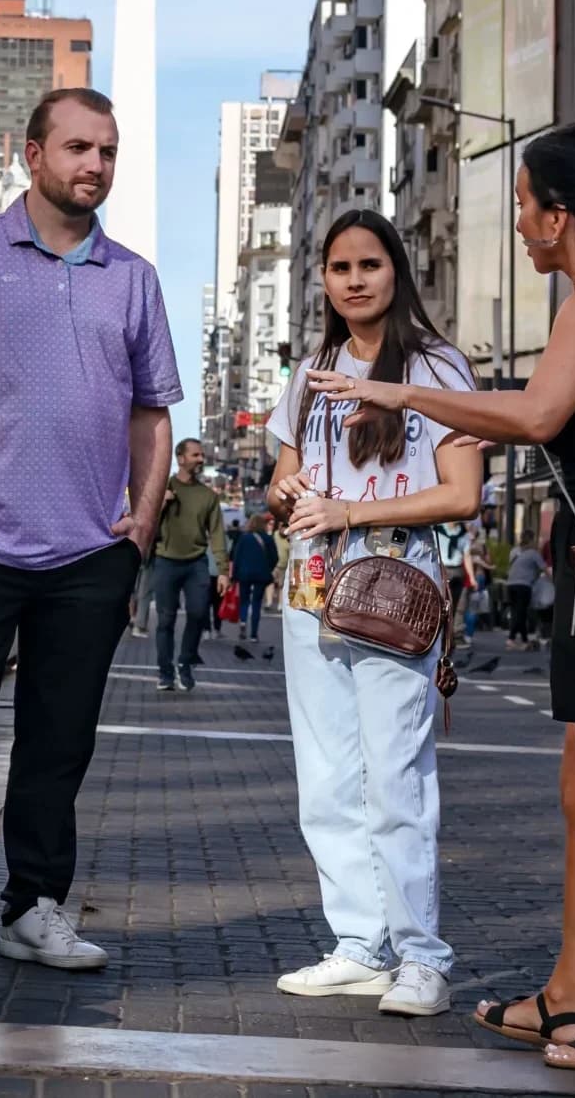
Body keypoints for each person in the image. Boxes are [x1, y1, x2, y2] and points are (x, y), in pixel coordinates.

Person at [314, 124, 575, 1074]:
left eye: (529, 206)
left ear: (563, 215)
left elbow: (536, 415)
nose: (524, 224)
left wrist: (408, 395)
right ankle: (566, 998)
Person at [0, 88, 180, 973]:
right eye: (78, 147)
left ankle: (32, 908)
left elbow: (153, 413)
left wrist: (138, 524)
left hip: (91, 554)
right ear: (32, 154)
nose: (94, 165)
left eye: (108, 151)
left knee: (60, 745)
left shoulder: (131, 276)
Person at [265, 210, 483, 1020]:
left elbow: (463, 493)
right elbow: (282, 478)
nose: (354, 279)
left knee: (396, 776)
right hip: (312, 585)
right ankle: (357, 945)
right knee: (325, 778)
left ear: (397, 271)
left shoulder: (436, 368)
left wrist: (348, 509)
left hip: (396, 582)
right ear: (322, 280)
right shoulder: (312, 370)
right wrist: (287, 493)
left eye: (370, 263)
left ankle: (422, 955)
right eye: (339, 266)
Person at [152, 437, 226, 691]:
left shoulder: (208, 496)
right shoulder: (163, 486)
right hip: (165, 561)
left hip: (196, 563)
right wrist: (162, 501)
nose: (201, 459)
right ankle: (165, 673)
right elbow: (145, 520)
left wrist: (223, 570)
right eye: (195, 455)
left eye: (201, 455)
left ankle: (185, 661)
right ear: (180, 458)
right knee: (165, 620)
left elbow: (216, 533)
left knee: (197, 614)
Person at [230, 512, 279, 645]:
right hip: (261, 574)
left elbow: (237, 557)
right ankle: (253, 634)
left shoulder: (244, 538)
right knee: (257, 603)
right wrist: (268, 568)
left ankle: (243, 621)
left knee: (244, 600)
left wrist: (234, 576)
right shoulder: (268, 539)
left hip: (244, 574)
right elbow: (275, 558)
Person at [506, 534, 543, 650]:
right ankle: (511, 638)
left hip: (511, 584)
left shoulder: (514, 551)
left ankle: (524, 640)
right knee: (520, 613)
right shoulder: (533, 553)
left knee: (517, 612)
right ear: (531, 541)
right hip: (524, 585)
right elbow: (544, 568)